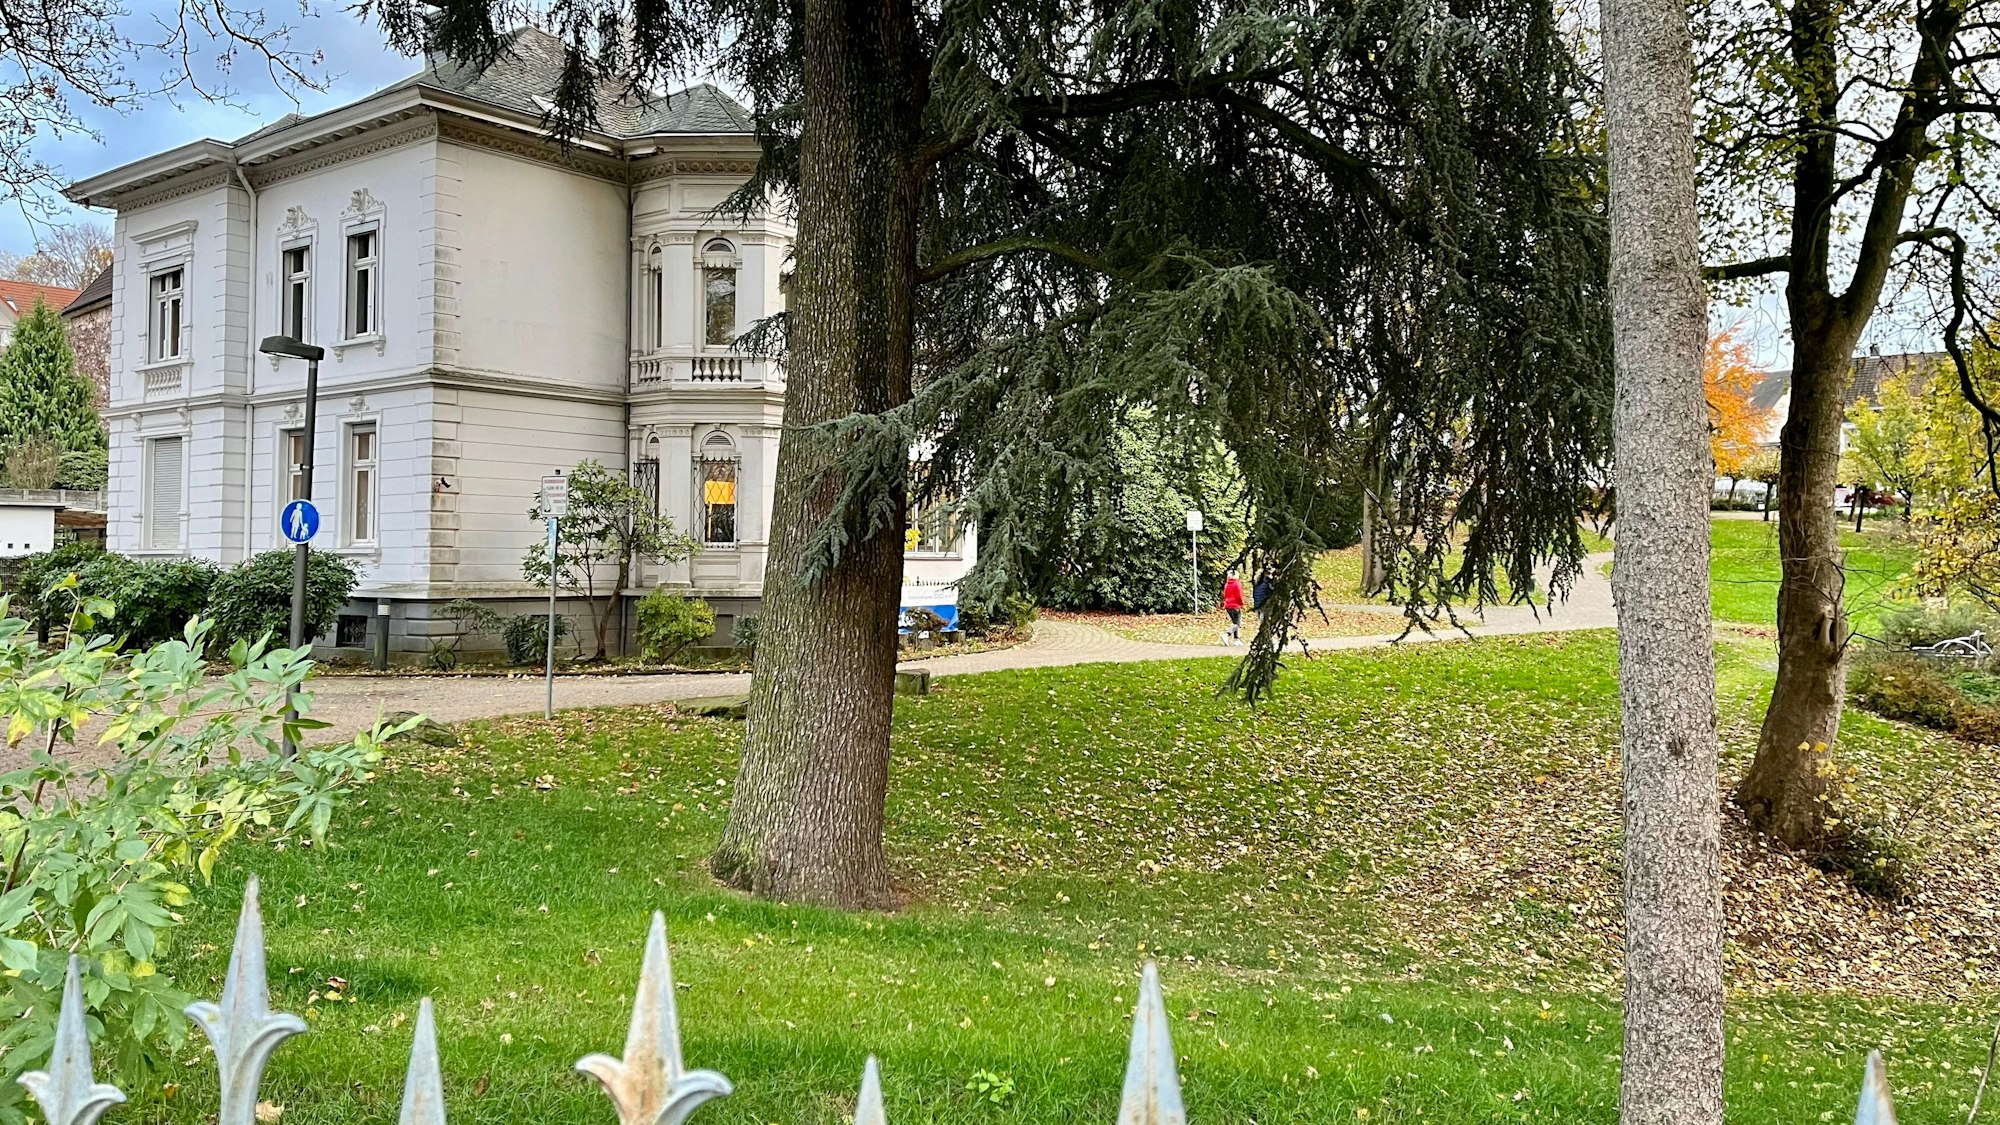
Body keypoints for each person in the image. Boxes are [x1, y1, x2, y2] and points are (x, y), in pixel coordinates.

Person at [1221, 569, 1245, 645]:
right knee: (1237, 624)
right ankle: (1227, 634)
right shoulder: (1237, 584)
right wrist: (1242, 603)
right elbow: (1239, 596)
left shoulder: (1227, 584)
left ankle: (1236, 640)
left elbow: (1225, 595)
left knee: (1234, 623)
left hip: (1228, 605)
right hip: (1235, 605)